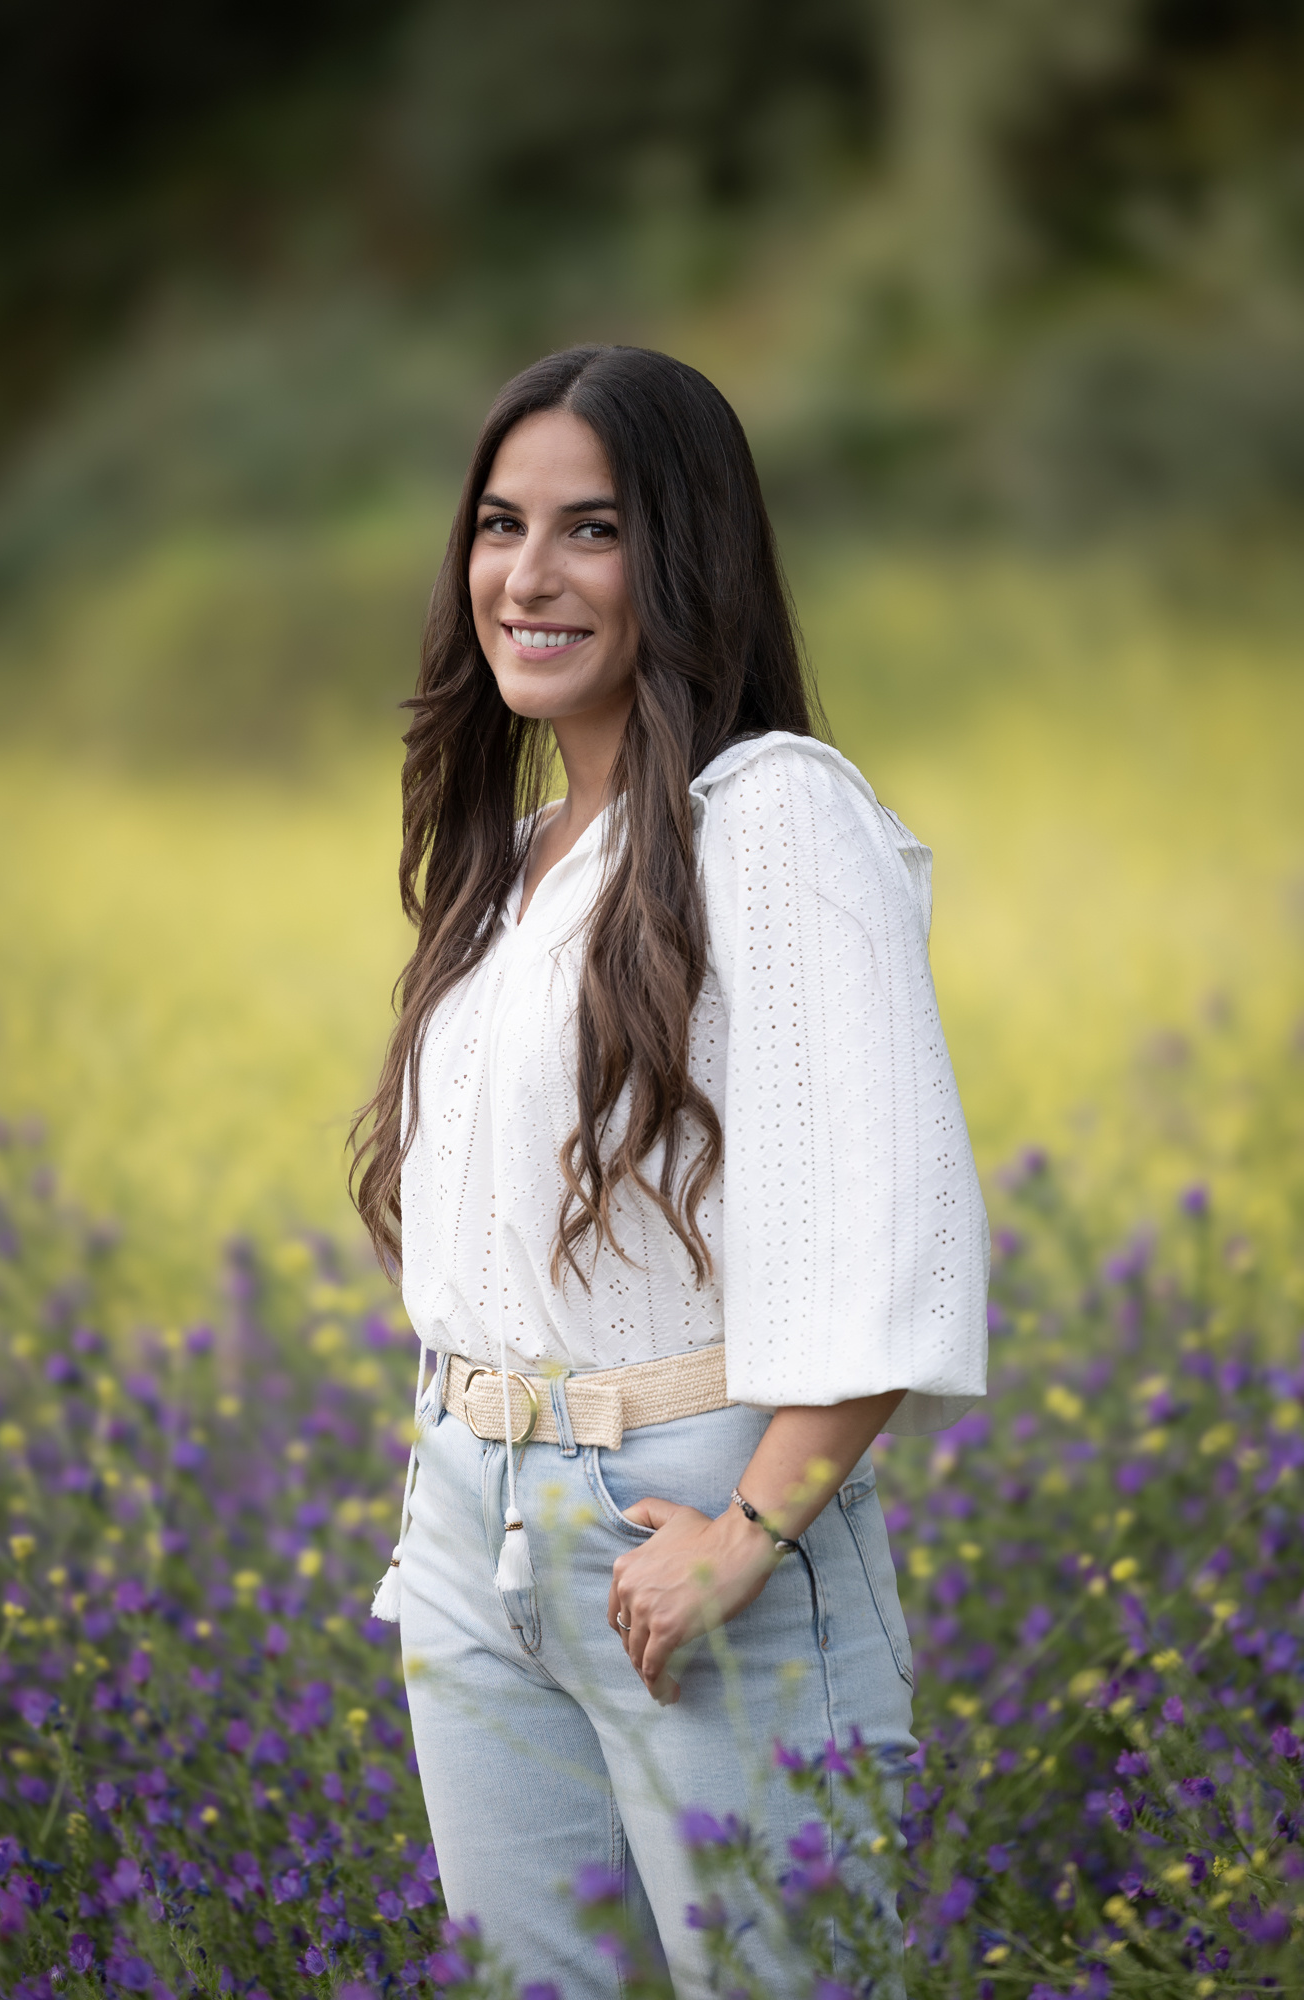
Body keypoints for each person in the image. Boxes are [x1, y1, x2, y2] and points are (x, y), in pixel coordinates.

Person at [352, 345, 989, 1997]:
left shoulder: (771, 817)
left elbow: (890, 1218)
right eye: (500, 525)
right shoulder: (511, 864)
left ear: (685, 554)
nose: (527, 576)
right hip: (470, 1517)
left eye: (593, 529)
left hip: (690, 1502)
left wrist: (746, 1533)